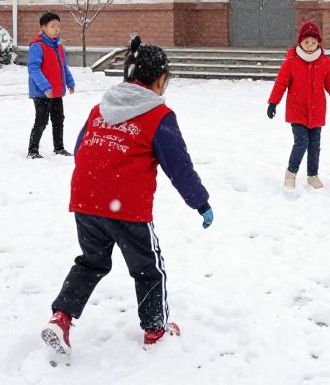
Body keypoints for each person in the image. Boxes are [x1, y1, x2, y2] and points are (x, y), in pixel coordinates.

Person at [42, 36, 212, 358]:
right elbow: (180, 167)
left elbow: (81, 149)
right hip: (127, 209)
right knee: (149, 269)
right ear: (160, 81)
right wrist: (200, 202)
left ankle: (61, 317)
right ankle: (155, 329)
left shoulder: (100, 108)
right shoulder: (159, 116)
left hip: (85, 200)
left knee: (91, 262)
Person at [267, 20, 330, 190]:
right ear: (300, 42)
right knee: (301, 142)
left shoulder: (324, 61)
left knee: (314, 145)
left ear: (318, 42)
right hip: (297, 110)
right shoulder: (292, 60)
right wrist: (273, 103)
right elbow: (280, 83)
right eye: (306, 42)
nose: (310, 46)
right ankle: (291, 174)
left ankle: (313, 175)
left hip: (317, 111)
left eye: (313, 42)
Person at [27, 11, 76, 158]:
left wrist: (70, 83)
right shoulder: (38, 46)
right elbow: (33, 69)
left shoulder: (59, 46)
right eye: (53, 26)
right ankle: (33, 150)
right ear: (43, 27)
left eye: (58, 26)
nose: (56, 29)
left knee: (58, 119)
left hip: (56, 91)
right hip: (42, 92)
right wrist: (45, 87)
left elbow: (63, 67)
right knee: (41, 121)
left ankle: (59, 148)